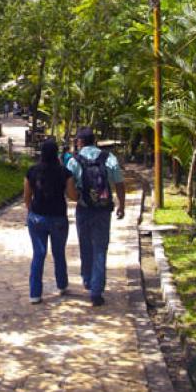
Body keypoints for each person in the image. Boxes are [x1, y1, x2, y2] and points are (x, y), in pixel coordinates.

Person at [67, 127, 125, 307]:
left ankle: (87, 278)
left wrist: (76, 197)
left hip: (83, 209)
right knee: (100, 248)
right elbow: (119, 183)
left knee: (85, 245)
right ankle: (96, 291)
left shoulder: (74, 161)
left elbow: (69, 188)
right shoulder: (108, 158)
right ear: (95, 140)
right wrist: (122, 205)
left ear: (80, 142)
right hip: (103, 210)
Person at [24, 139, 78, 304]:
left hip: (37, 217)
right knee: (59, 252)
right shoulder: (64, 172)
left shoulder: (32, 171)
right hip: (58, 218)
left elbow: (26, 197)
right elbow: (72, 196)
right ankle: (61, 285)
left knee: (38, 254)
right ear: (57, 153)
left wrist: (31, 212)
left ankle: (35, 294)